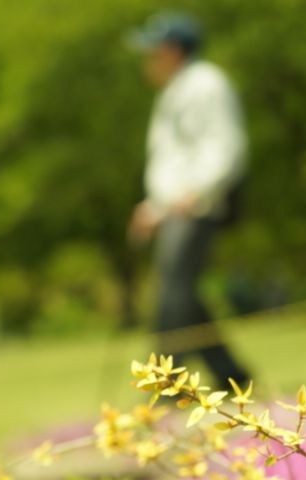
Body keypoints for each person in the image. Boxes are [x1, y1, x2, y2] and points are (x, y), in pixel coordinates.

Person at [127, 11, 251, 390]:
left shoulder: (206, 83)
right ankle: (233, 376)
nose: (147, 61)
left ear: (171, 50)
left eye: (152, 51)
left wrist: (197, 190)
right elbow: (171, 159)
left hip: (194, 205)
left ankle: (167, 384)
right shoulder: (175, 90)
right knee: (183, 296)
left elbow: (225, 145)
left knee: (173, 295)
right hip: (174, 207)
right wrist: (153, 206)